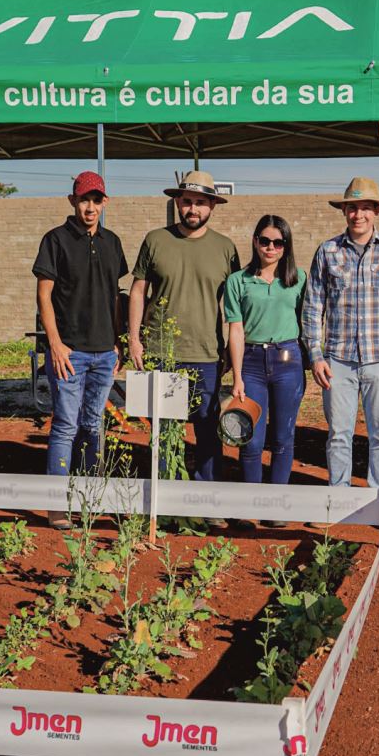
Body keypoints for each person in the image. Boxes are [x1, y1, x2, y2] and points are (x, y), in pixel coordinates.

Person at [127, 171, 240, 527]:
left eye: (201, 202)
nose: (193, 208)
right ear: (178, 202)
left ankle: (207, 504)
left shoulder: (226, 249)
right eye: (188, 201)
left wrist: (230, 354)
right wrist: (134, 338)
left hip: (207, 354)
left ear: (212, 207)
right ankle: (166, 505)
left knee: (207, 432)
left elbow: (234, 308)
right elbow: (137, 291)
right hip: (163, 352)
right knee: (166, 432)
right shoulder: (156, 240)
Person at [302, 177, 379, 531]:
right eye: (352, 207)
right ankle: (338, 501)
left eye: (365, 207)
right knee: (338, 433)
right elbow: (313, 304)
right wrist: (316, 355)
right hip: (338, 361)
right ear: (344, 211)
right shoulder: (328, 251)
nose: (358, 214)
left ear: (376, 211)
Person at [32, 171, 128, 529]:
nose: (91, 206)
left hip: (104, 352)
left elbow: (114, 297)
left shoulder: (112, 242)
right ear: (72, 201)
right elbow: (44, 295)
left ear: (105, 203)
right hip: (68, 353)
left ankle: (90, 498)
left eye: (97, 200)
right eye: (84, 199)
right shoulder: (55, 240)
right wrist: (54, 344)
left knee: (93, 425)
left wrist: (117, 340)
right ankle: (57, 506)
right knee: (65, 426)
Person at [224, 215, 307, 530]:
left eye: (278, 242)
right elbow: (235, 329)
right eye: (264, 241)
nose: (270, 248)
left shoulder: (299, 279)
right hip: (252, 364)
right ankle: (250, 503)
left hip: (288, 361)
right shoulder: (238, 281)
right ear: (255, 241)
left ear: (286, 246)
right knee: (251, 439)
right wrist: (237, 375)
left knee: (283, 437)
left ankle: (277, 506)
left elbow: (308, 322)